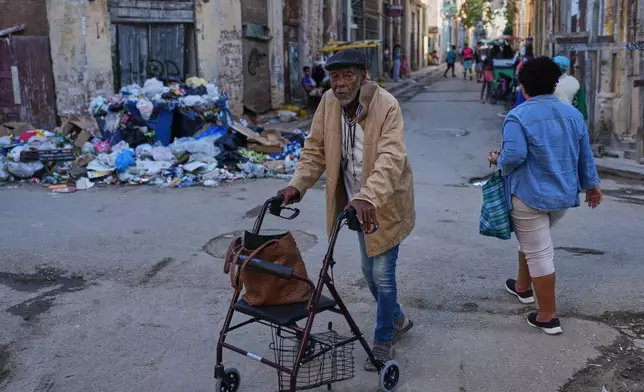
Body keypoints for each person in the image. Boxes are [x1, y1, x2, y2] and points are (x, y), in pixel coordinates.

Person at [278, 48, 416, 369]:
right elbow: (314, 149)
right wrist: (295, 186)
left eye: (346, 76)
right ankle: (397, 318)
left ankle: (383, 338)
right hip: (354, 205)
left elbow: (391, 158)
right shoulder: (328, 103)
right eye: (334, 77)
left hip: (383, 200)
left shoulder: (387, 106)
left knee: (382, 274)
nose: (339, 84)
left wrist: (368, 196)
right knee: (370, 272)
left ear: (363, 76)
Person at [487, 57, 602, 336]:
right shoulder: (572, 114)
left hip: (529, 195)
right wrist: (592, 186)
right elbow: (585, 155)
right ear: (554, 84)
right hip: (562, 194)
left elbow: (514, 155)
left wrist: (497, 159)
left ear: (523, 88)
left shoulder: (519, 115)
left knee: (538, 250)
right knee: (533, 240)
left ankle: (548, 316)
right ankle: (523, 287)